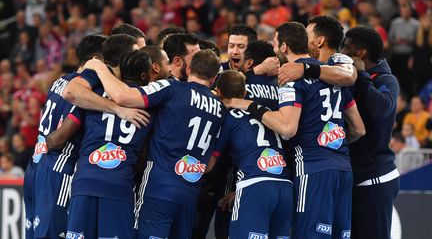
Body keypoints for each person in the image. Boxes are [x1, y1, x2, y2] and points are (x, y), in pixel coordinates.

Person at [227, 22, 365, 239]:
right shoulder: (330, 74)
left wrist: (249, 106)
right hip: (343, 169)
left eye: (274, 43)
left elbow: (287, 127)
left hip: (312, 168)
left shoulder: (291, 78)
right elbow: (358, 128)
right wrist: (331, 140)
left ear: (283, 47)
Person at [82, 49, 224, 238]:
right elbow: (209, 165)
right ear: (214, 78)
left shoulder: (172, 88)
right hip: (189, 196)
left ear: (188, 69)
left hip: (158, 189)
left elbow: (124, 96)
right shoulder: (221, 109)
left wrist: (99, 68)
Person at [30, 34, 143, 239]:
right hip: (62, 165)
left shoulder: (61, 80)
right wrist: (117, 109)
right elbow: (60, 137)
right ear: (97, 60)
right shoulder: (87, 90)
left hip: (39, 164)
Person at [52, 49, 153, 238]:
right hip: (119, 186)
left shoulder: (93, 95)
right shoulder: (152, 106)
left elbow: (70, 103)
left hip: (84, 183)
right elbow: (143, 158)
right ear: (145, 75)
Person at [211, 69, 293, 238]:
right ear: (246, 92)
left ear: (218, 92)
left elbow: (210, 164)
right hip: (285, 186)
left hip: (254, 186)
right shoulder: (265, 111)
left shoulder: (227, 117)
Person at [341, 26, 400, 239]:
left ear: (361, 53)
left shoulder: (386, 80)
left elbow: (380, 110)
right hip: (355, 177)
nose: (343, 51)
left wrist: (363, 75)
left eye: (347, 47)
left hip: (375, 177)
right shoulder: (348, 76)